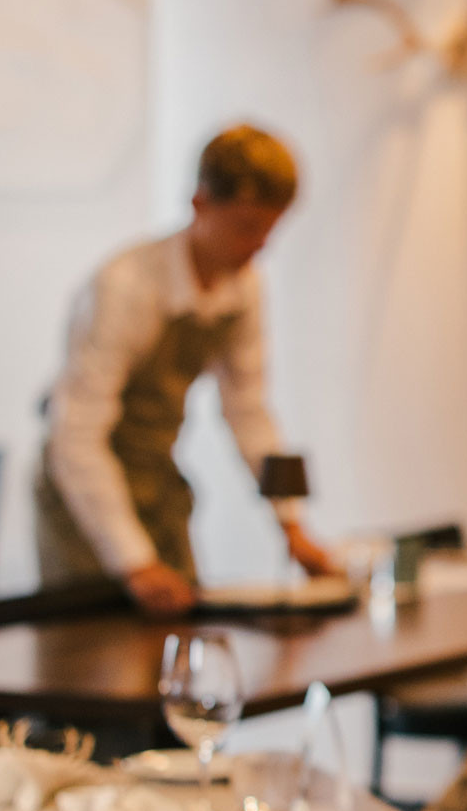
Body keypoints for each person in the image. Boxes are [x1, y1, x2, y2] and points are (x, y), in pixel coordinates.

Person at [35, 123, 336, 617]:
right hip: (83, 496)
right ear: (200, 204)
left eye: (269, 230)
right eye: (247, 228)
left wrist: (292, 526)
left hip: (157, 482)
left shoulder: (243, 288)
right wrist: (134, 562)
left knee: (183, 631)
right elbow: (76, 437)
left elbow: (247, 411)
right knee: (99, 647)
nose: (260, 246)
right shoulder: (125, 287)